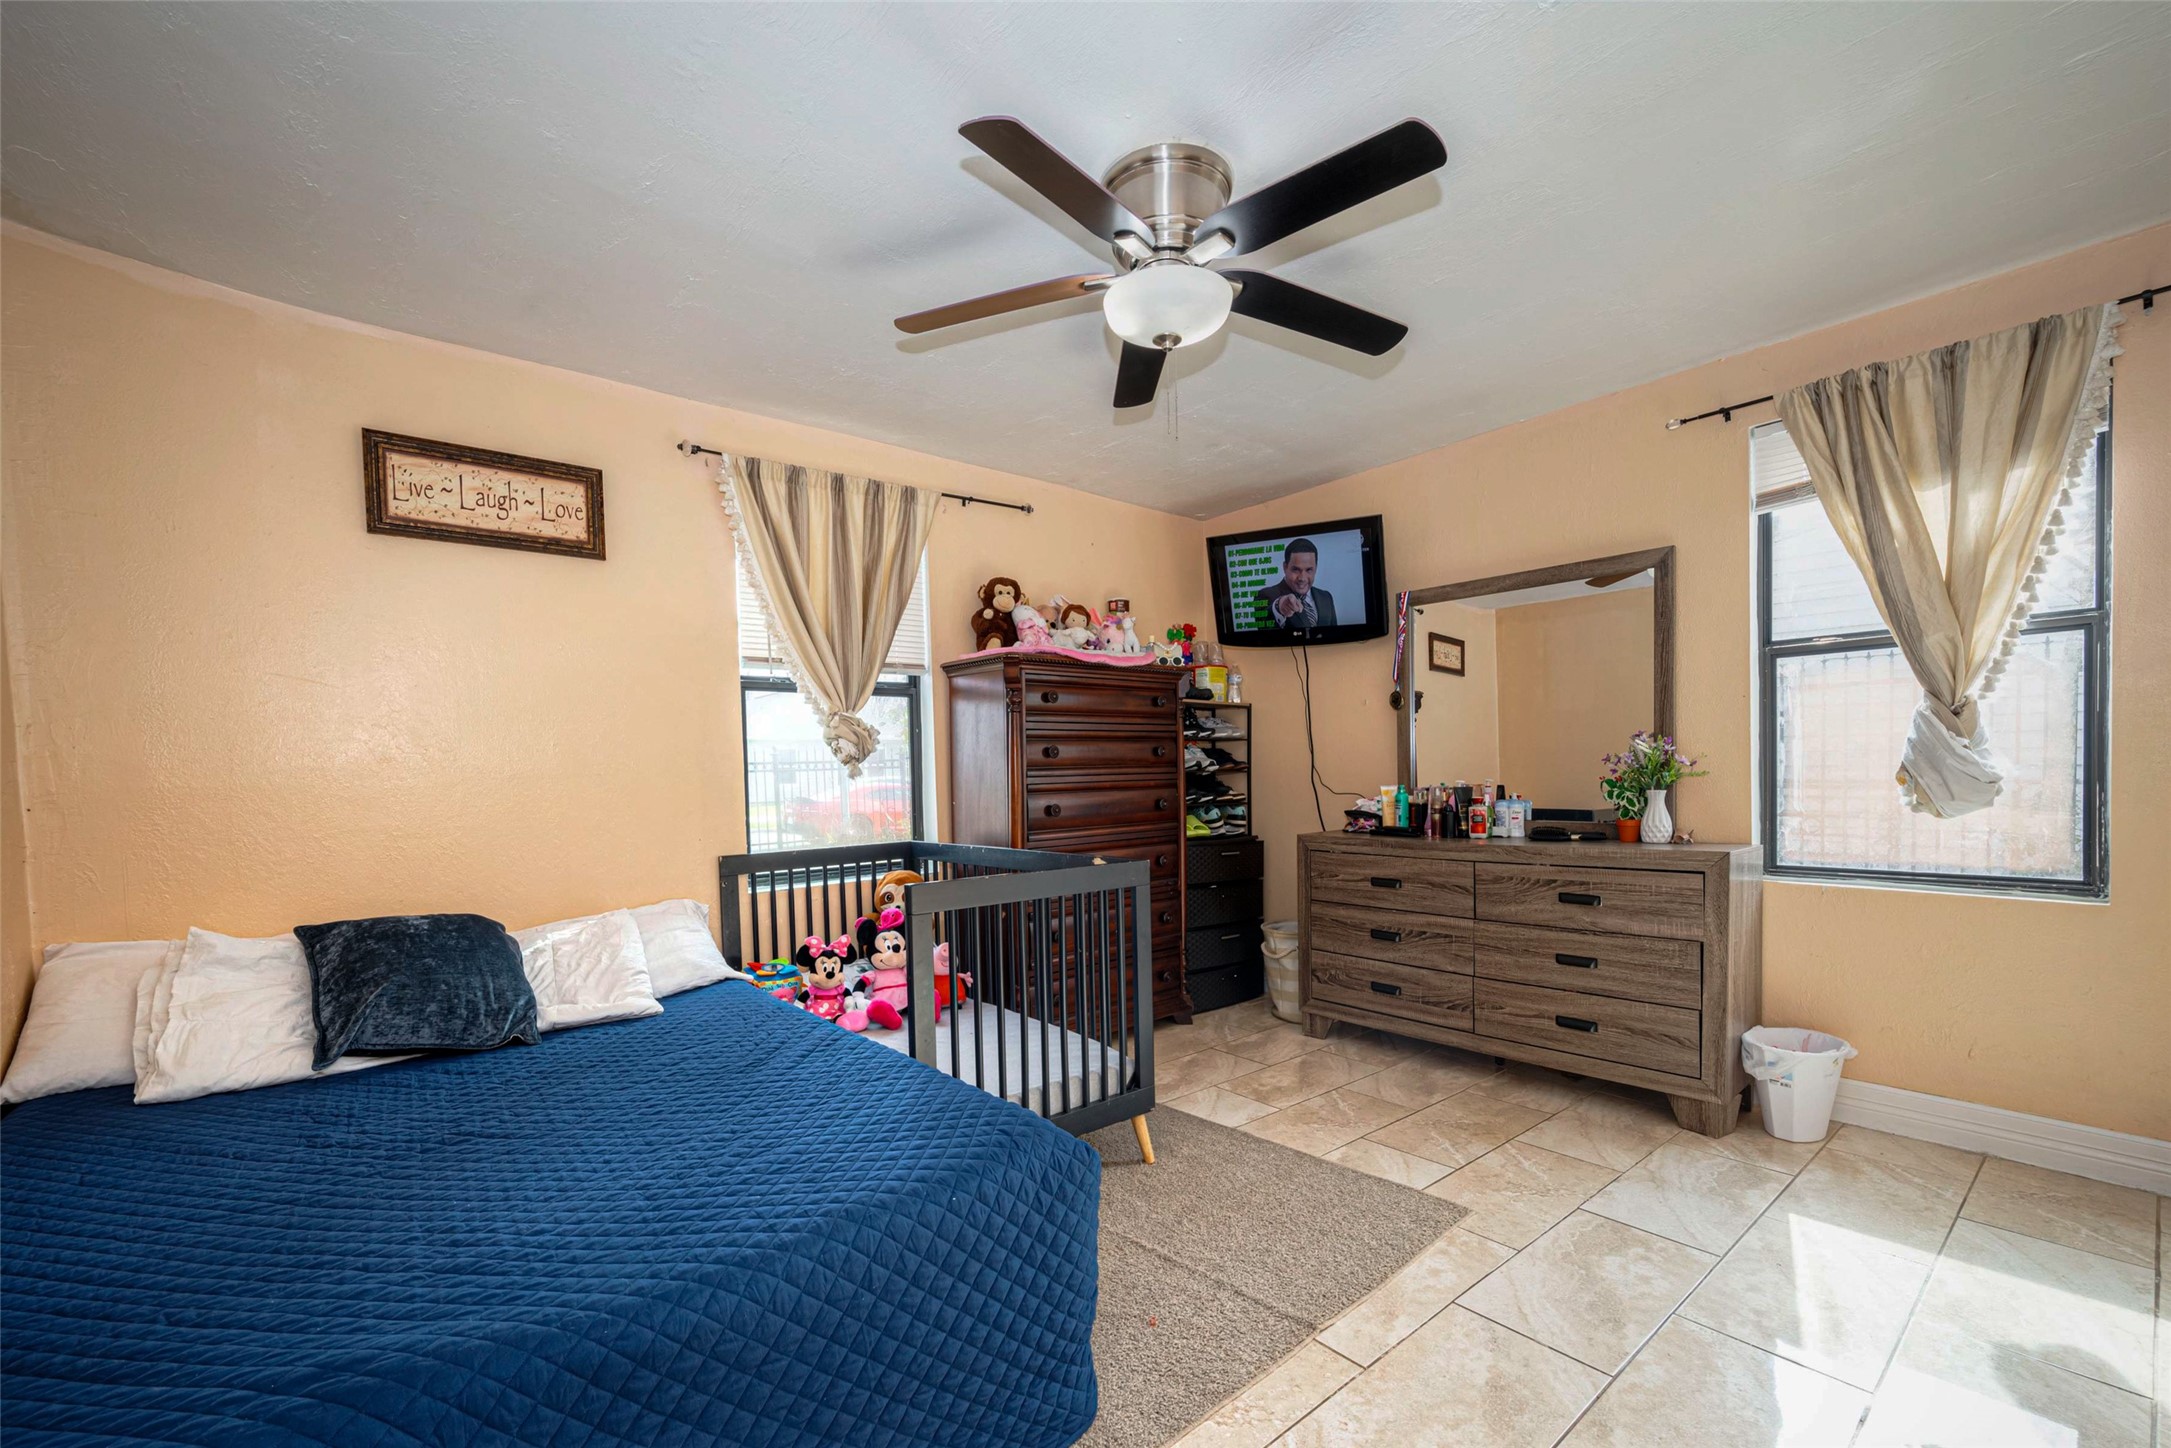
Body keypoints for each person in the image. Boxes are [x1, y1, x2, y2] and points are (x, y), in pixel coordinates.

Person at [1254, 537, 1337, 629]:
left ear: (1316, 568)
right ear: (1285, 567)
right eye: (1296, 570)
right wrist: (1279, 607)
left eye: (1309, 570)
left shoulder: (1326, 597)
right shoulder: (1264, 595)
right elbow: (1264, 626)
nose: (1302, 578)